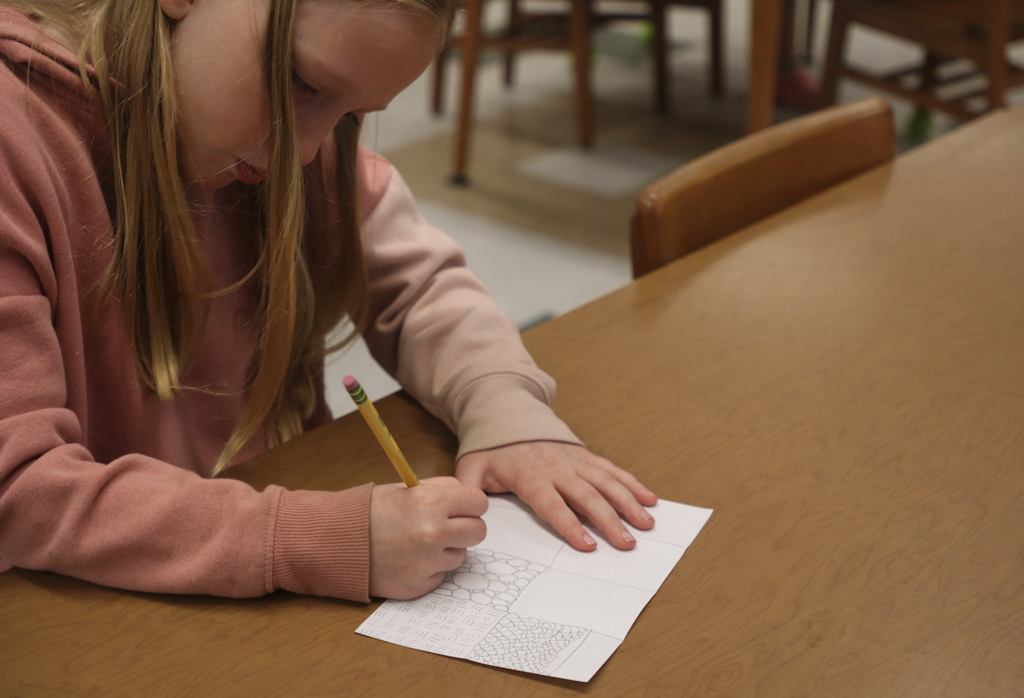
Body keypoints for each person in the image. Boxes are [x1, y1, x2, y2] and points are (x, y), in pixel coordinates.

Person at [0, 0, 658, 603]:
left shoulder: (278, 140)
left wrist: (504, 406)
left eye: (351, 117)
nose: (310, 147)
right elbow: (20, 488)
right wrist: (316, 539)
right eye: (304, 84)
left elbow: (423, 286)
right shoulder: (17, 137)